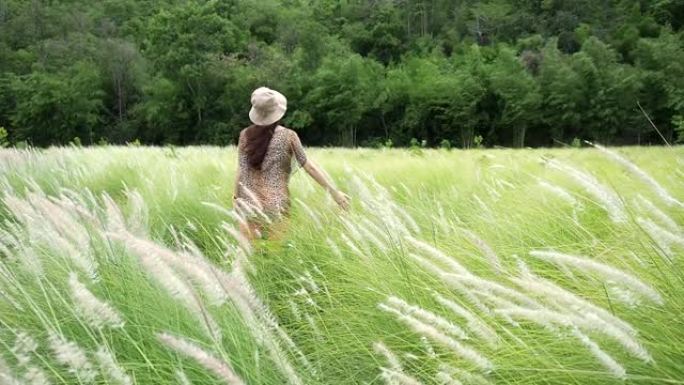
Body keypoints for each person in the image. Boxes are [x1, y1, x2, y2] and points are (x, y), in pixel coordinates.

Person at [233, 87, 350, 239]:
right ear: (277, 113)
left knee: (246, 253)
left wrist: (236, 198)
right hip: (276, 206)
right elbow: (310, 167)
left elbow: (241, 169)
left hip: (248, 204)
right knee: (274, 256)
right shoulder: (289, 136)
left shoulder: (245, 135)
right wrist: (335, 194)